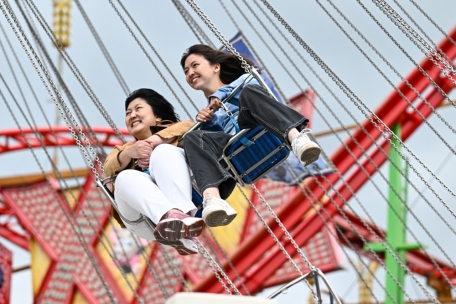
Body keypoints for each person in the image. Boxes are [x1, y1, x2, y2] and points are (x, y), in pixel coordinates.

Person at [180, 44, 322, 227]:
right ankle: (212, 197)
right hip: (236, 149)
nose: (190, 72)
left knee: (248, 94)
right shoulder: (210, 112)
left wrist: (221, 96)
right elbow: (214, 144)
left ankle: (297, 138)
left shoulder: (246, 81)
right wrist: (207, 122)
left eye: (194, 65)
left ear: (216, 66)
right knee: (193, 137)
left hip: (257, 128)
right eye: (186, 71)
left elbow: (257, 92)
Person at [104, 88, 206, 255]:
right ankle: (173, 218)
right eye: (128, 113)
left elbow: (186, 127)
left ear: (158, 117)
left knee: (163, 152)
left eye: (138, 109)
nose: (132, 115)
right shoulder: (125, 150)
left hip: (190, 198)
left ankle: (179, 222)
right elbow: (108, 167)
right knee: (124, 177)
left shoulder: (180, 130)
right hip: (141, 219)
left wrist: (150, 144)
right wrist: (131, 153)